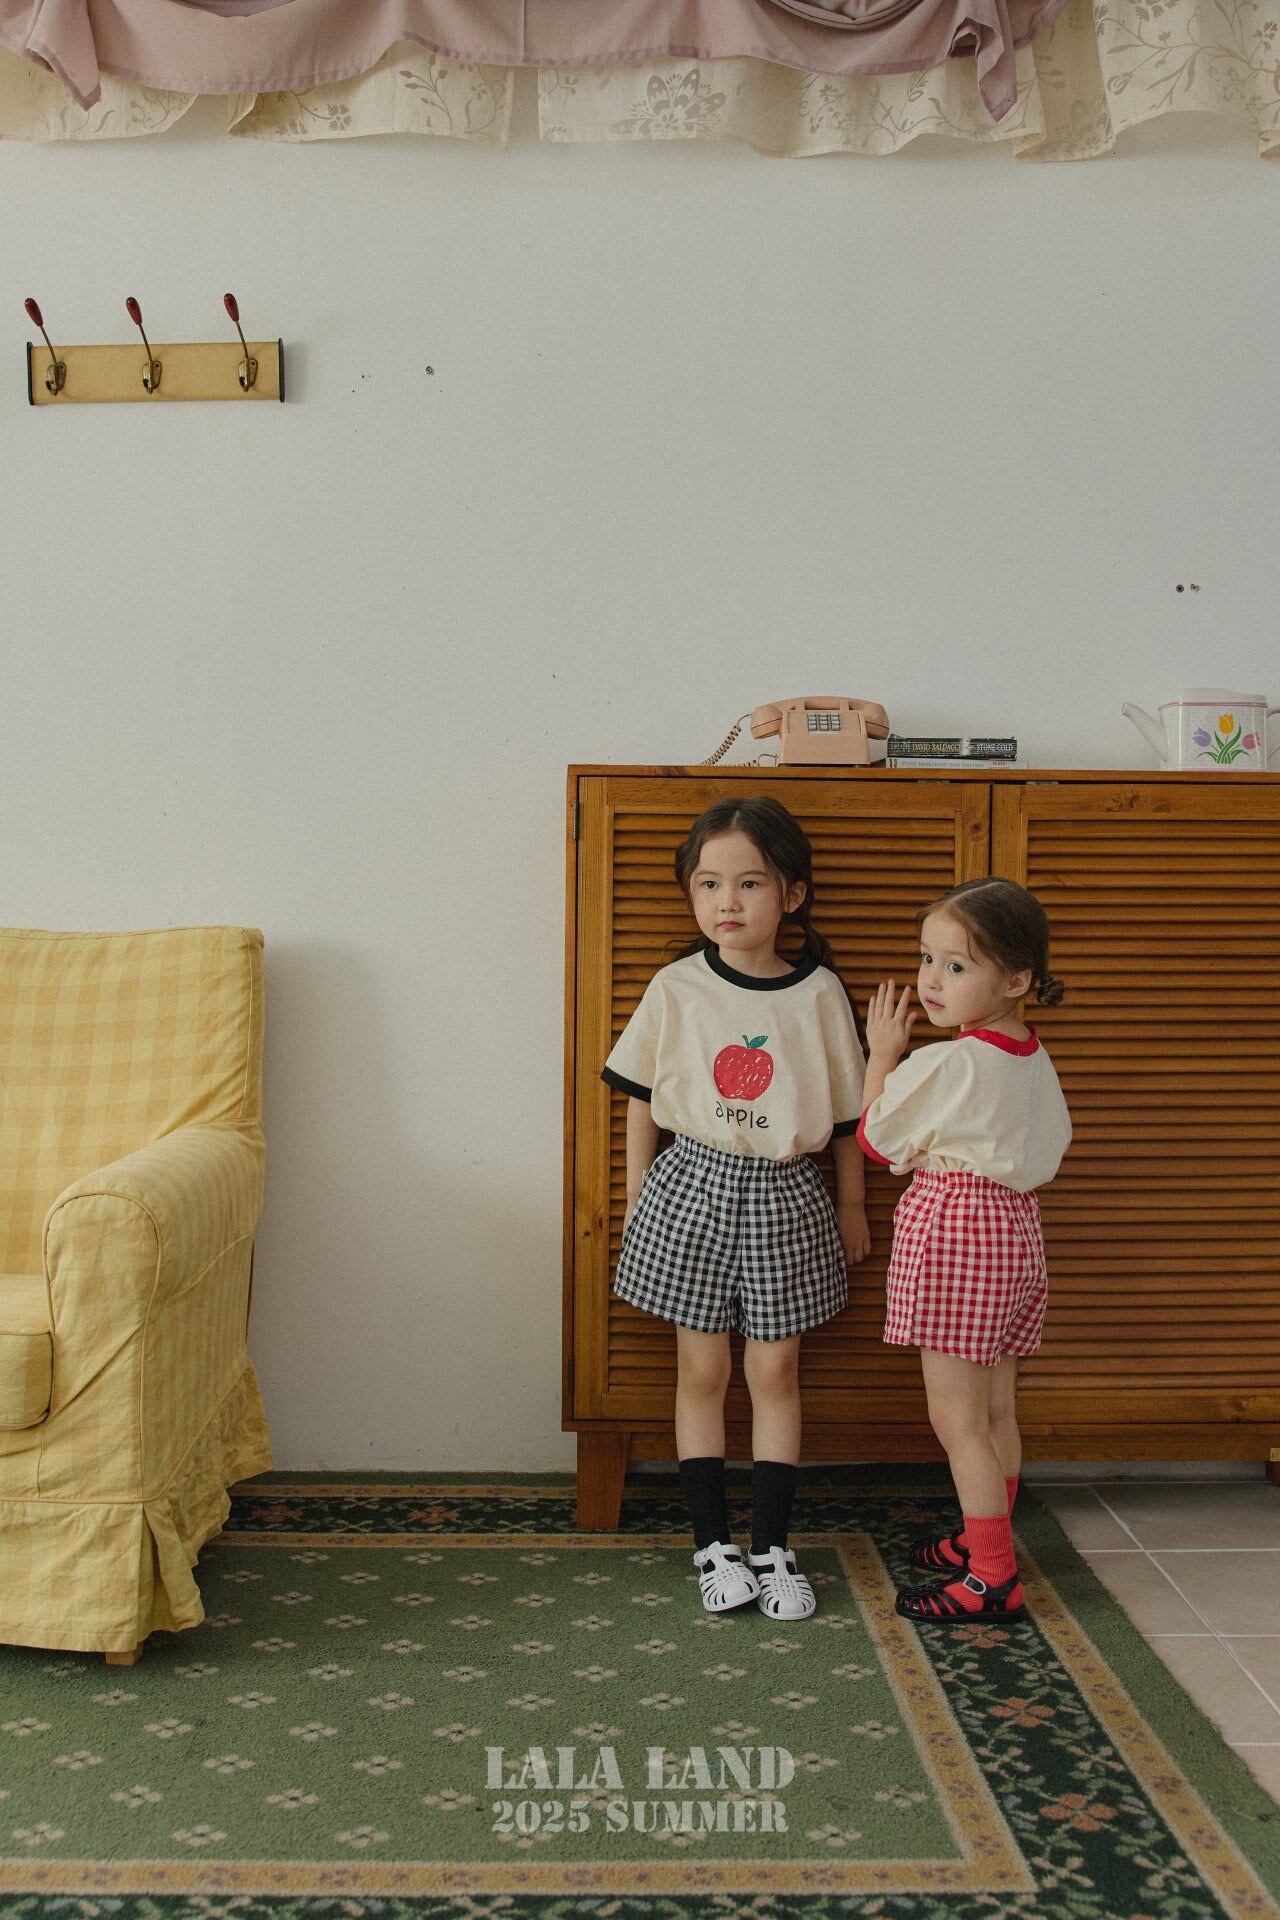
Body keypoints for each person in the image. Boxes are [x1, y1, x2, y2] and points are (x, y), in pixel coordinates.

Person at [601, 796, 870, 1621]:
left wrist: (853, 1206)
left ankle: (773, 1547)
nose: (727, 902)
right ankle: (712, 1546)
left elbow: (849, 1119)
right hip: (691, 1186)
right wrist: (638, 1195)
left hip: (787, 1193)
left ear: (792, 893)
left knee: (776, 1370)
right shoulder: (676, 986)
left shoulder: (818, 993)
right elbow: (640, 1098)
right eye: (709, 884)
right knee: (702, 1370)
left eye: (749, 883)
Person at [856, 878, 1072, 1624]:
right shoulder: (1030, 1054)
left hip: (958, 1231)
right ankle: (988, 1539)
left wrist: (883, 1055)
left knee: (959, 1424)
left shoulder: (949, 1064)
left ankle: (991, 1578)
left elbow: (875, 1136)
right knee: (997, 1409)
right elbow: (1054, 1141)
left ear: (1016, 981)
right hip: (1015, 1229)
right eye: (927, 959)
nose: (931, 981)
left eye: (956, 966)